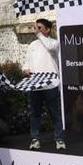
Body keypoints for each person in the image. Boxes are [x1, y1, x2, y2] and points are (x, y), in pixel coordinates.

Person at [23, 18, 65, 150]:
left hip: (50, 84)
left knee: (54, 112)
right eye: (36, 27)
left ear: (48, 29)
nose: (37, 30)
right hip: (35, 84)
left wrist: (39, 34)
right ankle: (35, 139)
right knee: (35, 113)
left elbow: (49, 46)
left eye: (40, 27)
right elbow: (27, 61)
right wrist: (25, 69)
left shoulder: (54, 43)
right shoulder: (32, 45)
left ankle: (59, 139)